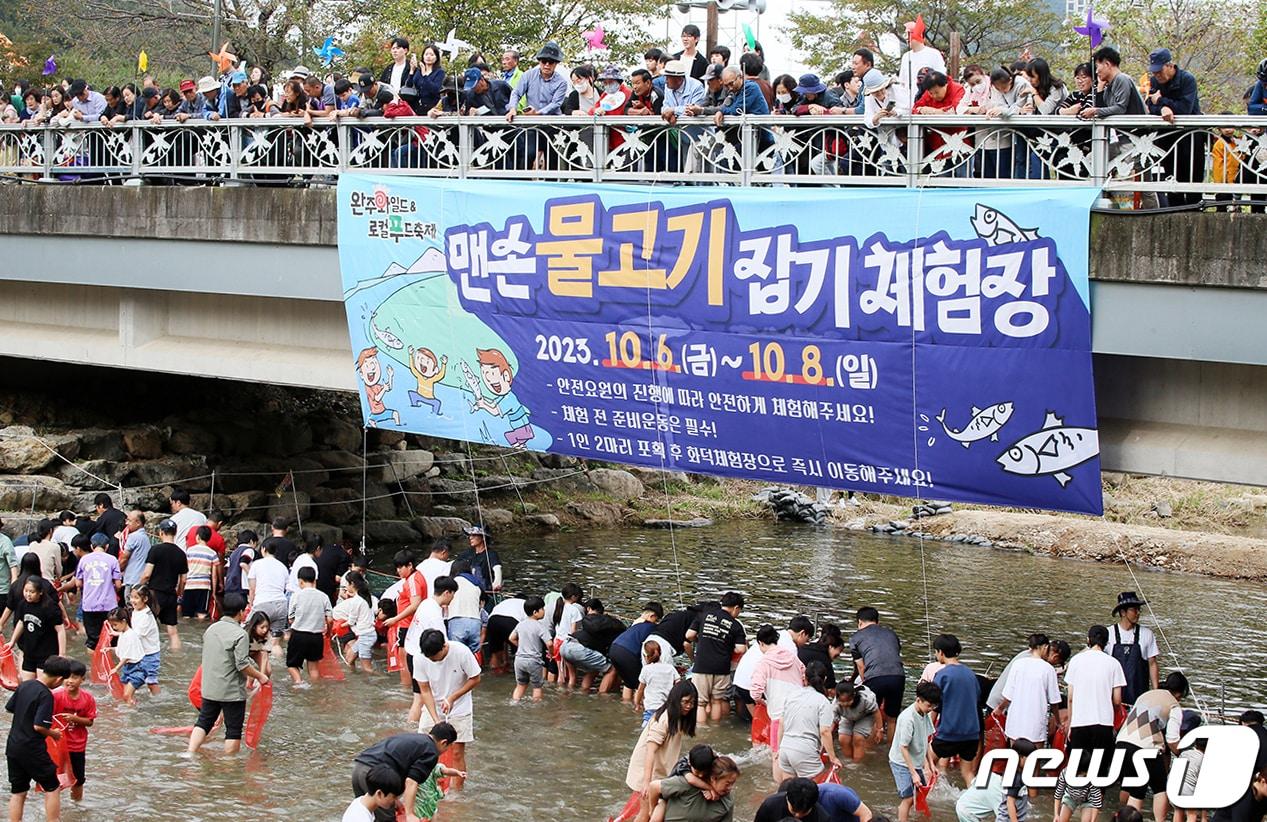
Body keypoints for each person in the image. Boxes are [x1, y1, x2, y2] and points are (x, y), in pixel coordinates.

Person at [188, 593, 267, 755]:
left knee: (203, 722)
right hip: (231, 692)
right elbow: (242, 665)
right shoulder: (240, 634)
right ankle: (229, 765)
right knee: (233, 729)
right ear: (240, 612)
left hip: (209, 688)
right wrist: (260, 676)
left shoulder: (211, 629)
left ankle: (190, 752)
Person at [5, 654, 71, 822]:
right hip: (31, 748)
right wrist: (53, 733)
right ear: (58, 679)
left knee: (18, 791)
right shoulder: (45, 695)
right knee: (53, 786)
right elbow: (39, 726)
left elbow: (10, 708)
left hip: (13, 746)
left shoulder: (25, 685)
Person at [1115, 671, 1189, 821]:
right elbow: (1172, 739)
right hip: (1145, 747)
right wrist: (1184, 755)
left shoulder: (1145, 695)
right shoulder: (1174, 707)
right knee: (1160, 787)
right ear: (1180, 693)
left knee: (1135, 789)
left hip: (1121, 743)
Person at [414, 628, 481, 791]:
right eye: (429, 657)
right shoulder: (420, 658)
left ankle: (456, 795)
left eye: (435, 657)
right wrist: (436, 720)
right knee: (425, 750)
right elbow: (425, 689)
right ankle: (428, 790)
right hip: (433, 707)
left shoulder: (461, 652)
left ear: (444, 646)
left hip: (459, 707)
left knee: (457, 752)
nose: (432, 660)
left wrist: (452, 698)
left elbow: (475, 678)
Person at [626, 680, 699, 822]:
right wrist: (646, 783)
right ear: (676, 699)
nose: (689, 706)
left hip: (658, 771)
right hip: (648, 772)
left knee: (650, 811)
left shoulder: (677, 718)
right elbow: (650, 751)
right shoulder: (664, 719)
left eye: (692, 703)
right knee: (645, 813)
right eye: (685, 702)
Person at [352, 726, 456, 822]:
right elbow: (411, 782)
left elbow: (395, 760)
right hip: (375, 775)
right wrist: (409, 814)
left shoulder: (415, 739)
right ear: (444, 742)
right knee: (386, 819)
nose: (446, 751)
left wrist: (394, 800)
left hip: (358, 768)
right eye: (449, 747)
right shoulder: (431, 751)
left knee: (365, 814)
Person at [1144, 48, 1204, 207]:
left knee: (1192, 176)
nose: (1157, 75)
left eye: (1159, 71)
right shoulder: (1155, 82)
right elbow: (1150, 106)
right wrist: (1162, 108)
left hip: (1190, 134)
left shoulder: (1187, 79)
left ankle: (1194, 209)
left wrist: (1162, 102)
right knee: (1171, 177)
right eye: (1154, 72)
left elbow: (1185, 109)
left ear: (1170, 66)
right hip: (1168, 136)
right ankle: (1173, 209)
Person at [751, 623, 807, 780]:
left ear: (761, 643)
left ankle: (779, 790)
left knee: (777, 754)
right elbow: (804, 677)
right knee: (796, 751)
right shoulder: (794, 658)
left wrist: (763, 702)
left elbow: (755, 692)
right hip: (799, 712)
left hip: (778, 716)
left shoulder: (764, 663)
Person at [1064, 625, 1126, 762]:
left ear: (1088, 640)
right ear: (1107, 642)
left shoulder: (1076, 661)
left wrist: (1070, 724)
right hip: (1103, 724)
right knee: (1100, 770)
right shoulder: (1114, 664)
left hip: (1079, 723)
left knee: (1078, 769)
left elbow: (1070, 698)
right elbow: (1117, 701)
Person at [686, 592, 747, 724]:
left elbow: (689, 635)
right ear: (736, 608)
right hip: (722, 668)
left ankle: (701, 730)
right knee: (717, 701)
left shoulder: (703, 616)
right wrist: (727, 645)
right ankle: (715, 727)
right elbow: (741, 649)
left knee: (700, 703)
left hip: (702, 665)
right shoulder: (736, 625)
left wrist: (701, 639)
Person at [993, 633, 1062, 745]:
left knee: (1015, 758)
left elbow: (1008, 695)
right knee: (1034, 759)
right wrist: (1058, 722)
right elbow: (1054, 701)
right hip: (1036, 724)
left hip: (1015, 723)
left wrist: (999, 709)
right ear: (1044, 647)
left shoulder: (1018, 664)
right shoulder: (1048, 669)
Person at [779, 661, 842, 781]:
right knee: (811, 794)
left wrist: (778, 748)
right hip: (804, 751)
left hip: (785, 748)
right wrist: (833, 758)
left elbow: (781, 723)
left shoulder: (792, 695)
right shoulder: (823, 701)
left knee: (787, 791)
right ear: (825, 679)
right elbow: (824, 732)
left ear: (805, 678)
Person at [932, 634, 982, 783]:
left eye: (936, 652)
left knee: (925, 763)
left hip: (949, 732)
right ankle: (975, 801)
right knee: (967, 773)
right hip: (971, 734)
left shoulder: (942, 675)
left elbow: (934, 704)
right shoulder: (970, 674)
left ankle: (923, 800)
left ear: (941, 652)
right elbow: (977, 698)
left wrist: (928, 730)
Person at [889, 681, 941, 822]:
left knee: (920, 796)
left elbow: (925, 741)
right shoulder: (908, 719)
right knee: (908, 798)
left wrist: (931, 765)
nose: (931, 709)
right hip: (901, 762)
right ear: (918, 700)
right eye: (929, 705)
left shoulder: (924, 715)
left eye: (934, 706)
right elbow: (903, 747)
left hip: (915, 761)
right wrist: (913, 774)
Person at [851, 606, 905, 741]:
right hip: (898, 676)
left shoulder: (856, 638)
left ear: (859, 622)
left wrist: (865, 687)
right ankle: (890, 754)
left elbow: (861, 667)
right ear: (877, 621)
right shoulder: (891, 634)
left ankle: (869, 755)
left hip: (875, 677)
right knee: (892, 719)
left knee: (871, 717)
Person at [647, 754, 740, 822]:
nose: (730, 788)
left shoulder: (727, 802)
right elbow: (653, 787)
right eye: (727, 784)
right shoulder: (687, 784)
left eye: (733, 783)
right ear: (713, 778)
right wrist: (652, 808)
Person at [1104, 591, 1160, 704]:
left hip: (1139, 696)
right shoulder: (1108, 634)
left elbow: (1152, 664)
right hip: (1112, 697)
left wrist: (1156, 693)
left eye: (1139, 609)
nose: (1138, 613)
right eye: (1134, 609)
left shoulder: (1147, 634)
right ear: (1123, 612)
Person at [51, 658, 95, 802]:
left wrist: (74, 719)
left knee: (78, 778)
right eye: (67, 677)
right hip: (57, 744)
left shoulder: (87, 699)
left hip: (77, 745)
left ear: (82, 679)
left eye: (75, 678)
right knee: (53, 779)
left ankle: (76, 806)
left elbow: (89, 721)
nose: (70, 681)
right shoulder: (55, 696)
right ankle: (53, 806)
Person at [140, 519, 187, 651]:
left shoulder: (155, 550)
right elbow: (183, 580)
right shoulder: (181, 554)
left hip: (155, 594)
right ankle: (176, 656)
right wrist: (179, 593)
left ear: (160, 532)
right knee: (173, 631)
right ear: (175, 533)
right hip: (171, 595)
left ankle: (147, 654)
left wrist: (137, 587)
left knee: (145, 627)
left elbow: (147, 574)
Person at [10, 576, 66, 679]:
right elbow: (22, 622)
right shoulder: (23, 604)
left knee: (43, 685)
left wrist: (62, 654)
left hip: (46, 652)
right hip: (29, 651)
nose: (28, 595)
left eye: (32, 592)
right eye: (26, 591)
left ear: (40, 592)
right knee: (28, 685)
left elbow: (60, 630)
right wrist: (12, 641)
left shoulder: (50, 607)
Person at [72, 533, 121, 648]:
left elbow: (78, 583)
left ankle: (92, 665)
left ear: (92, 546)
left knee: (92, 642)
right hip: (109, 606)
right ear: (107, 546)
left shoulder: (84, 560)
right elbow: (118, 584)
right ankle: (110, 664)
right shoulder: (113, 560)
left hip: (90, 605)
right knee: (112, 639)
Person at [287, 566, 332, 686]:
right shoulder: (323, 596)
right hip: (316, 636)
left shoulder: (296, 596)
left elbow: (290, 618)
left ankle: (299, 683)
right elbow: (330, 619)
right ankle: (316, 689)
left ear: (300, 581)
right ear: (315, 581)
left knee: (292, 665)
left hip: (299, 634)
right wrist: (329, 631)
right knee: (313, 668)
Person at [246, 538, 289, 653]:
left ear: (263, 549)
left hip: (262, 603)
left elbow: (252, 589)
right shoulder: (283, 567)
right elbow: (286, 588)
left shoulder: (256, 564)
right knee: (275, 643)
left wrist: (250, 605)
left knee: (249, 637)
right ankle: (278, 666)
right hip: (281, 604)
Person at [334, 573, 377, 672]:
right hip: (367, 635)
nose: (346, 587)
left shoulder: (356, 601)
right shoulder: (366, 597)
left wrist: (340, 626)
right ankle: (355, 678)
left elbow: (351, 621)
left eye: (347, 585)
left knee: (367, 668)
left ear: (352, 584)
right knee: (349, 659)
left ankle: (381, 682)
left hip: (365, 636)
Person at [509, 596, 549, 702]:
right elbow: (549, 643)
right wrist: (552, 653)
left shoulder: (520, 624)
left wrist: (521, 646)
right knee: (537, 687)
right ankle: (536, 708)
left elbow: (511, 638)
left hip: (519, 660)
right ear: (535, 612)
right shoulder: (540, 626)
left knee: (520, 685)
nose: (544, 611)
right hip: (534, 661)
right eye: (542, 609)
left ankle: (514, 703)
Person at [836, 679, 883, 762]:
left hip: (866, 715)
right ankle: (848, 762)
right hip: (847, 716)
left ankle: (856, 764)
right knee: (843, 739)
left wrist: (879, 730)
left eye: (848, 701)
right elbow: (832, 723)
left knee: (858, 738)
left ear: (854, 696)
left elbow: (876, 712)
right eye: (842, 701)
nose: (845, 704)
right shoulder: (836, 705)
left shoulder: (866, 699)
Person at [126, 588, 162, 696]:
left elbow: (136, 636)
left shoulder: (147, 616)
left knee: (151, 682)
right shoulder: (136, 611)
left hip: (150, 655)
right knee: (134, 679)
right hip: (141, 653)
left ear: (145, 599)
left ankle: (158, 700)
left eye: (136, 598)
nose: (133, 600)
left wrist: (119, 634)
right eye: (131, 597)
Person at [107, 607, 145, 704]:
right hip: (128, 668)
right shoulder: (123, 633)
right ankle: (135, 707)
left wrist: (116, 668)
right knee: (127, 696)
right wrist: (110, 649)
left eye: (115, 625)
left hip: (137, 668)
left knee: (126, 696)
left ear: (124, 621)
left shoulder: (130, 635)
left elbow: (127, 656)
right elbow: (122, 649)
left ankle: (133, 713)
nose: (114, 628)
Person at [445, 560, 483, 656]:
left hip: (456, 620)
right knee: (473, 655)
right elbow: (483, 601)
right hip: (475, 621)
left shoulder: (451, 583)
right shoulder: (476, 583)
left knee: (457, 654)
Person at [637, 639, 680, 725]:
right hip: (667, 708)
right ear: (660, 653)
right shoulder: (670, 668)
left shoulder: (646, 669)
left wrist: (638, 703)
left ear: (646, 656)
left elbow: (640, 689)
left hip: (651, 708)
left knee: (646, 730)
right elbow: (678, 685)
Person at [184, 526, 221, 620]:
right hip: (204, 587)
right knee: (202, 614)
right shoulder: (212, 553)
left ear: (197, 537)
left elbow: (185, 570)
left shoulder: (189, 551)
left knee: (187, 615)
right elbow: (214, 575)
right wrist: (213, 592)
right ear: (209, 538)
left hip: (189, 586)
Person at [754, 777, 822, 822]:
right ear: (787, 798)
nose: (797, 816)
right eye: (794, 811)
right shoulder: (770, 805)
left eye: (804, 813)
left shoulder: (822, 818)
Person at [458, 527, 501, 594]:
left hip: (485, 591)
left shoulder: (491, 554)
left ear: (483, 538)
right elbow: (456, 566)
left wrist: (496, 583)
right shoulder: (466, 553)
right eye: (470, 535)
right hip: (468, 589)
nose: (470, 538)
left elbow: (497, 568)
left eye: (474, 535)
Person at [118, 510, 151, 597]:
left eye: (129, 520)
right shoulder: (146, 538)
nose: (126, 523)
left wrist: (116, 571)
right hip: (142, 579)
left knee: (131, 606)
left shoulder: (133, 537)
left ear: (138, 523)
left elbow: (124, 558)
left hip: (132, 580)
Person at [224, 529, 257, 598]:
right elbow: (243, 563)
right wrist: (253, 576)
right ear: (251, 541)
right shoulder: (249, 550)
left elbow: (226, 569)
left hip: (230, 587)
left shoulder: (234, 553)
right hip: (243, 587)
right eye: (255, 543)